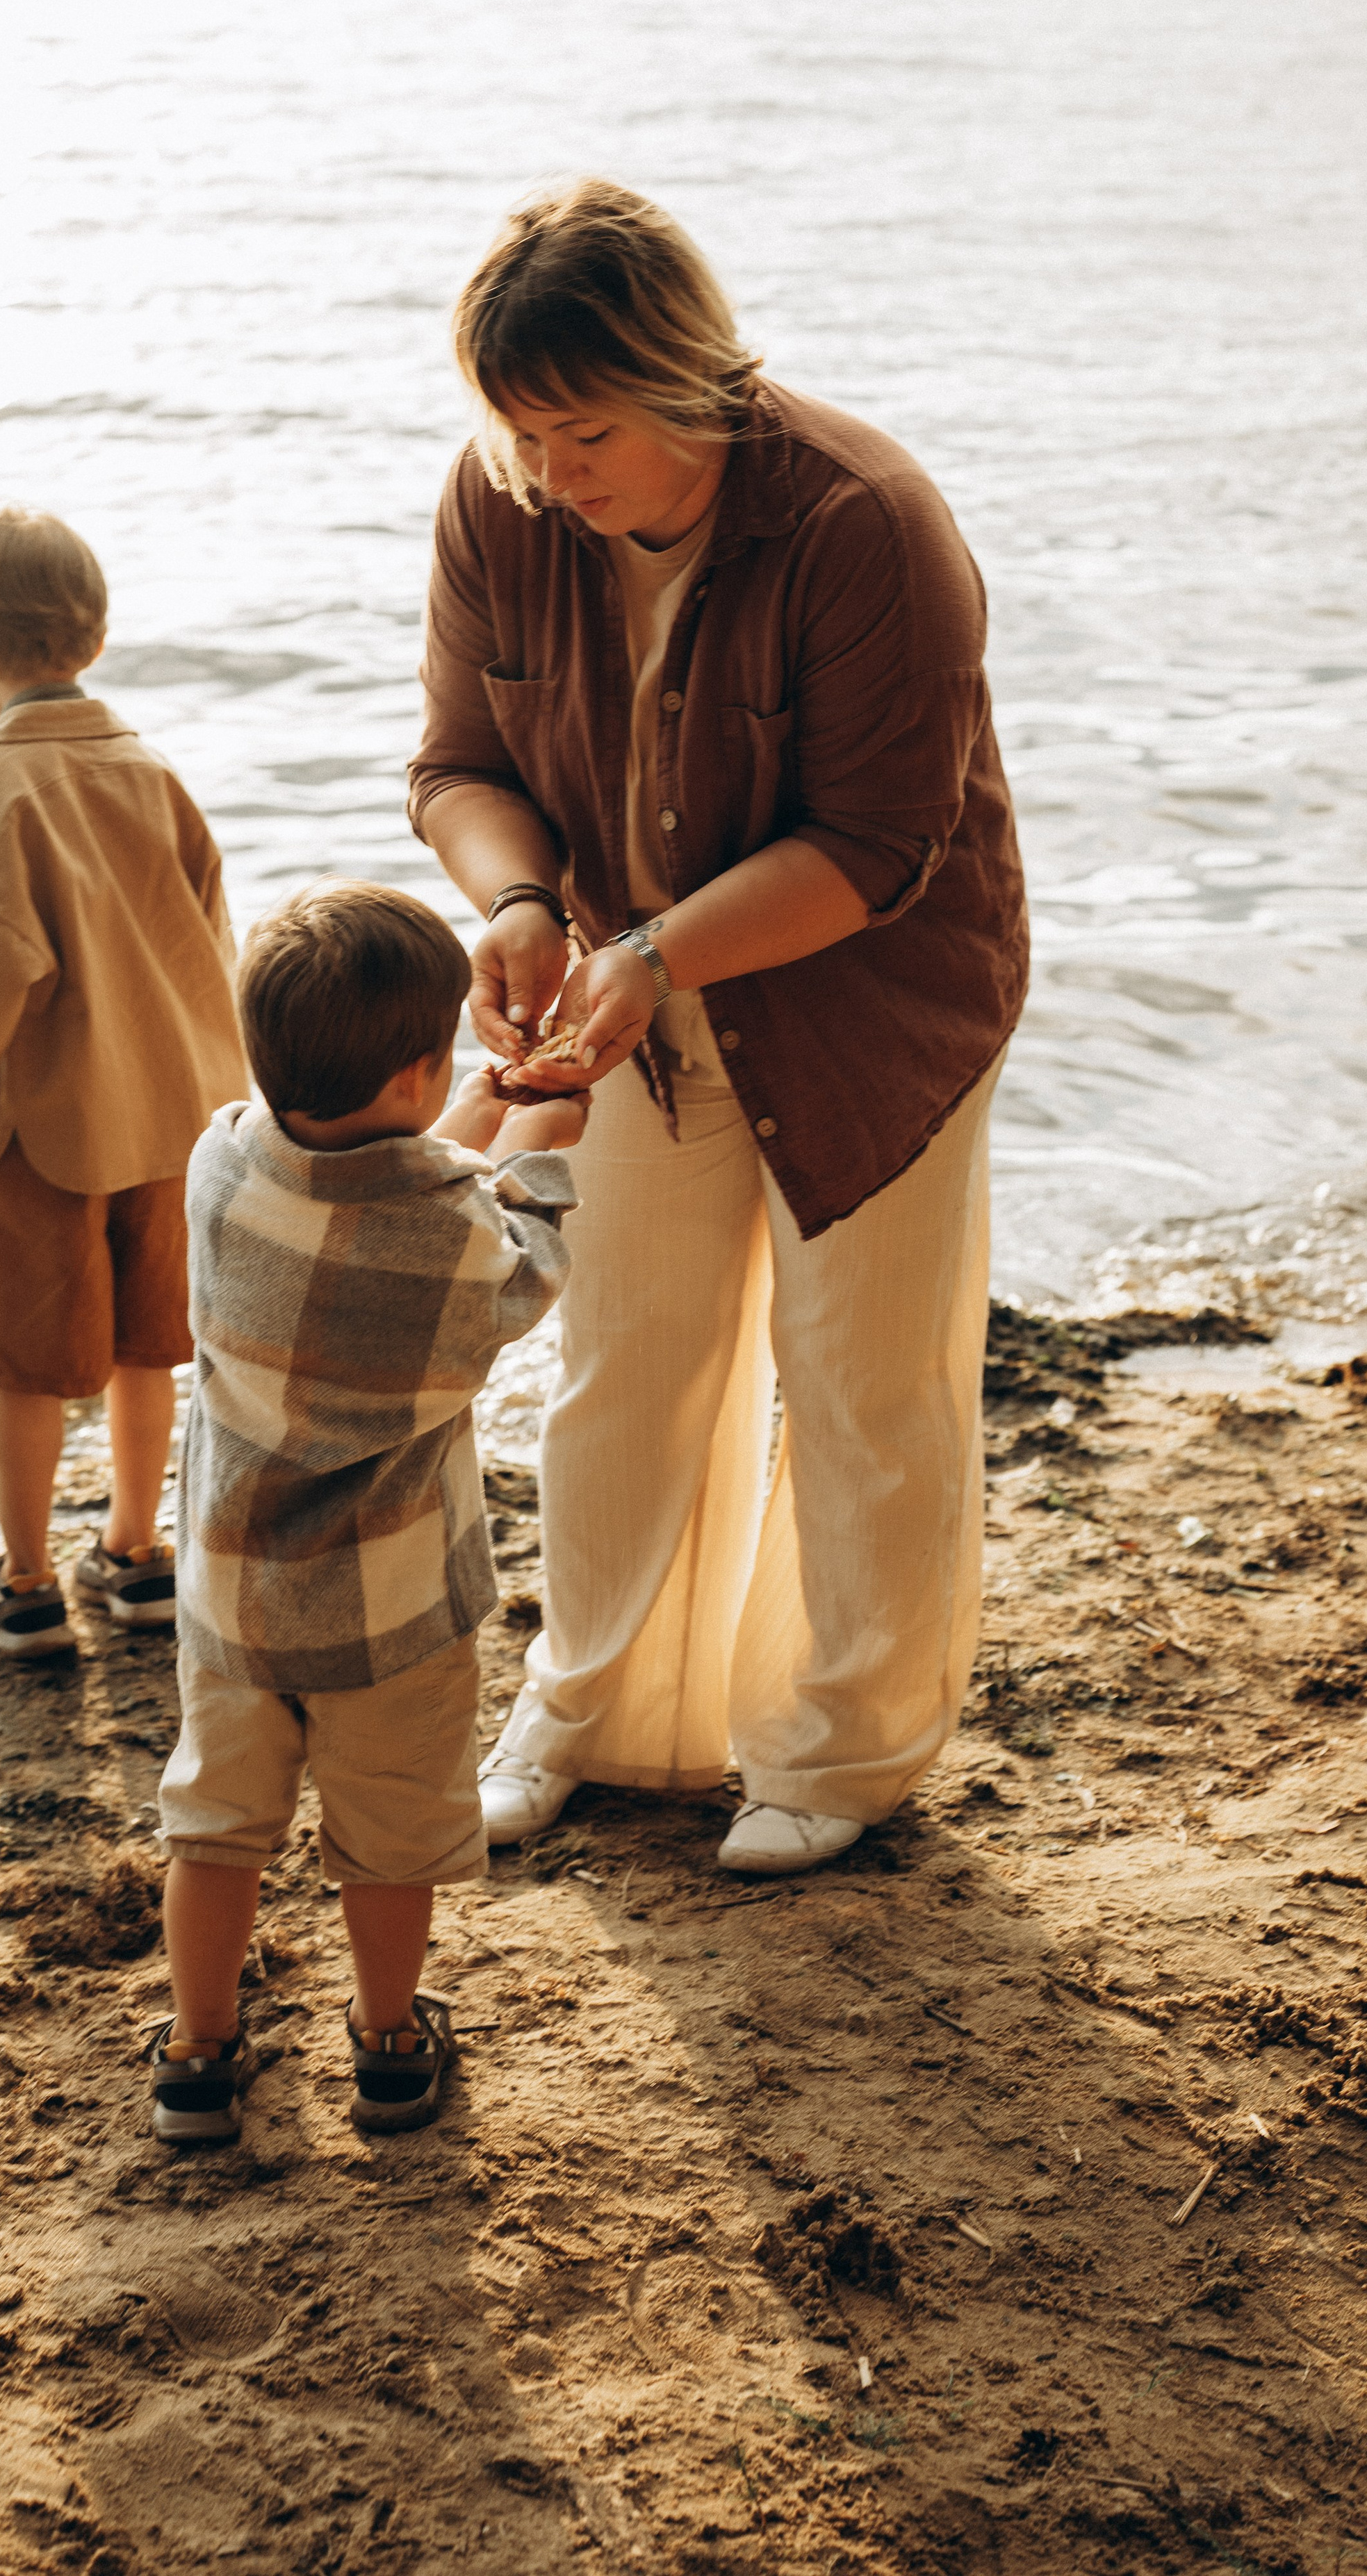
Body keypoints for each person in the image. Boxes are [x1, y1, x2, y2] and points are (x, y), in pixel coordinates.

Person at [411, 179, 1031, 1876]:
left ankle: (838, 1751)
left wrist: (661, 952)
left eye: (582, 429)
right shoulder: (500, 505)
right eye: (518, 432)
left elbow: (879, 843)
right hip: (635, 995)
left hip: (874, 1000)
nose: (548, 473)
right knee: (623, 1355)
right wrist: (521, 906)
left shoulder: (862, 519)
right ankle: (597, 1713)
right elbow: (458, 763)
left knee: (858, 1384)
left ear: (684, 378)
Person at [148, 882, 584, 2143]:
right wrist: (542, 1140)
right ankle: (390, 2046)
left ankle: (196, 2053)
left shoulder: (222, 1158)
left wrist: (469, 1119)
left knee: (216, 1825)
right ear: (422, 1062)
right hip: (391, 1613)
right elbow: (518, 1265)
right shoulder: (453, 1235)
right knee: (389, 1840)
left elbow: (386, 1180)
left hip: (235, 1601)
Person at [0, 506, 247, 1658]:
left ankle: (26, 1580)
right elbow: (213, 945)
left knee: (29, 1363)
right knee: (152, 1347)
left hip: (48, 1127)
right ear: (92, 635)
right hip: (180, 1116)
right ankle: (137, 1554)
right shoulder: (152, 768)